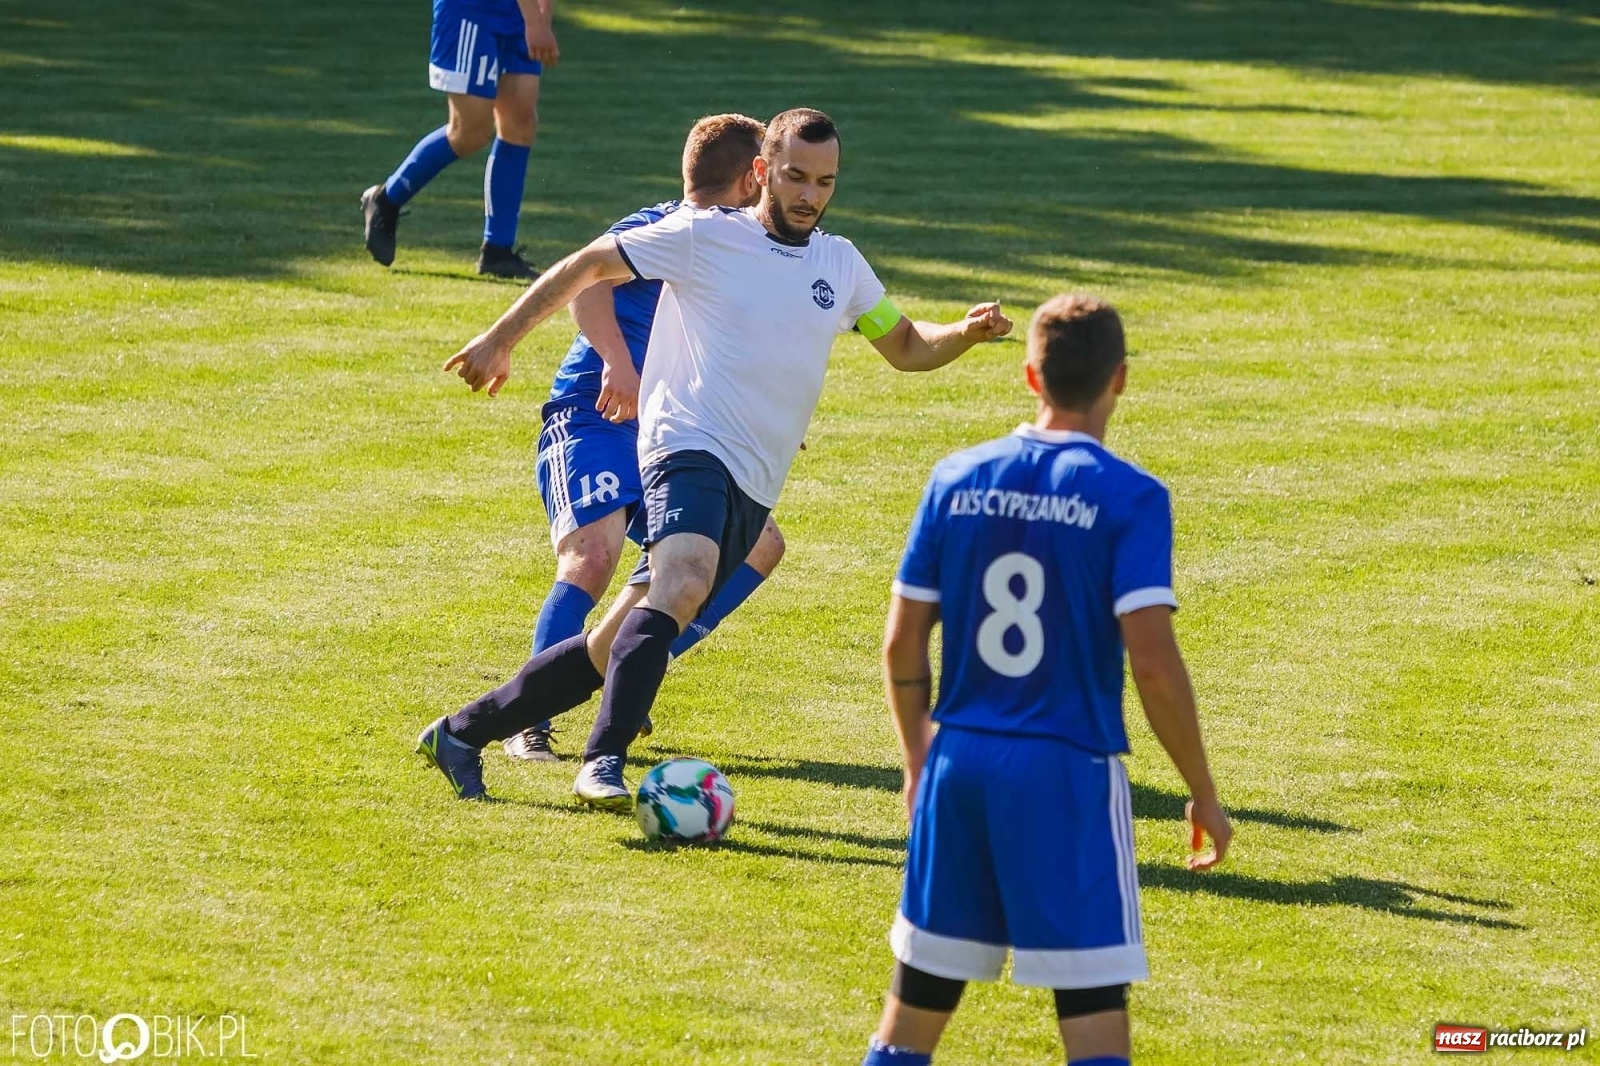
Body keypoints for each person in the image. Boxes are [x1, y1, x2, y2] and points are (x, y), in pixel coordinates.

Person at [415, 107, 1013, 807]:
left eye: (824, 182)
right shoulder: (703, 236)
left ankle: (459, 732)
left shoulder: (840, 264)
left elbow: (907, 346)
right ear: (762, 171)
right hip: (683, 446)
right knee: (687, 577)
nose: (809, 195)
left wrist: (965, 333)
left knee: (611, 646)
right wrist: (500, 337)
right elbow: (587, 266)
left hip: (754, 477)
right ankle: (602, 762)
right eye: (795, 176)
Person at [859, 295, 1233, 1066]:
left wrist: (918, 761)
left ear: (1030, 375)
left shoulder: (955, 478)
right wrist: (1202, 789)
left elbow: (902, 643)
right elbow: (1154, 664)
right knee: (1092, 1011)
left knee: (912, 1017)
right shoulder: (1132, 496)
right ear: (1120, 380)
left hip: (959, 766)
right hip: (1065, 770)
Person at [503, 113, 787, 762]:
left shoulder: (745, 246)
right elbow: (585, 284)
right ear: (753, 177)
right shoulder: (660, 226)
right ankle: (531, 720)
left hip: (672, 426)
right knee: (593, 558)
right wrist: (617, 363)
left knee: (757, 544)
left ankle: (628, 671)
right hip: (596, 413)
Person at [360, 0, 556, 279]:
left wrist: (543, 15)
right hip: (472, 12)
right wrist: (535, 23)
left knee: (520, 124)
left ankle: (497, 250)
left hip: (518, 15)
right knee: (469, 132)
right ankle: (386, 199)